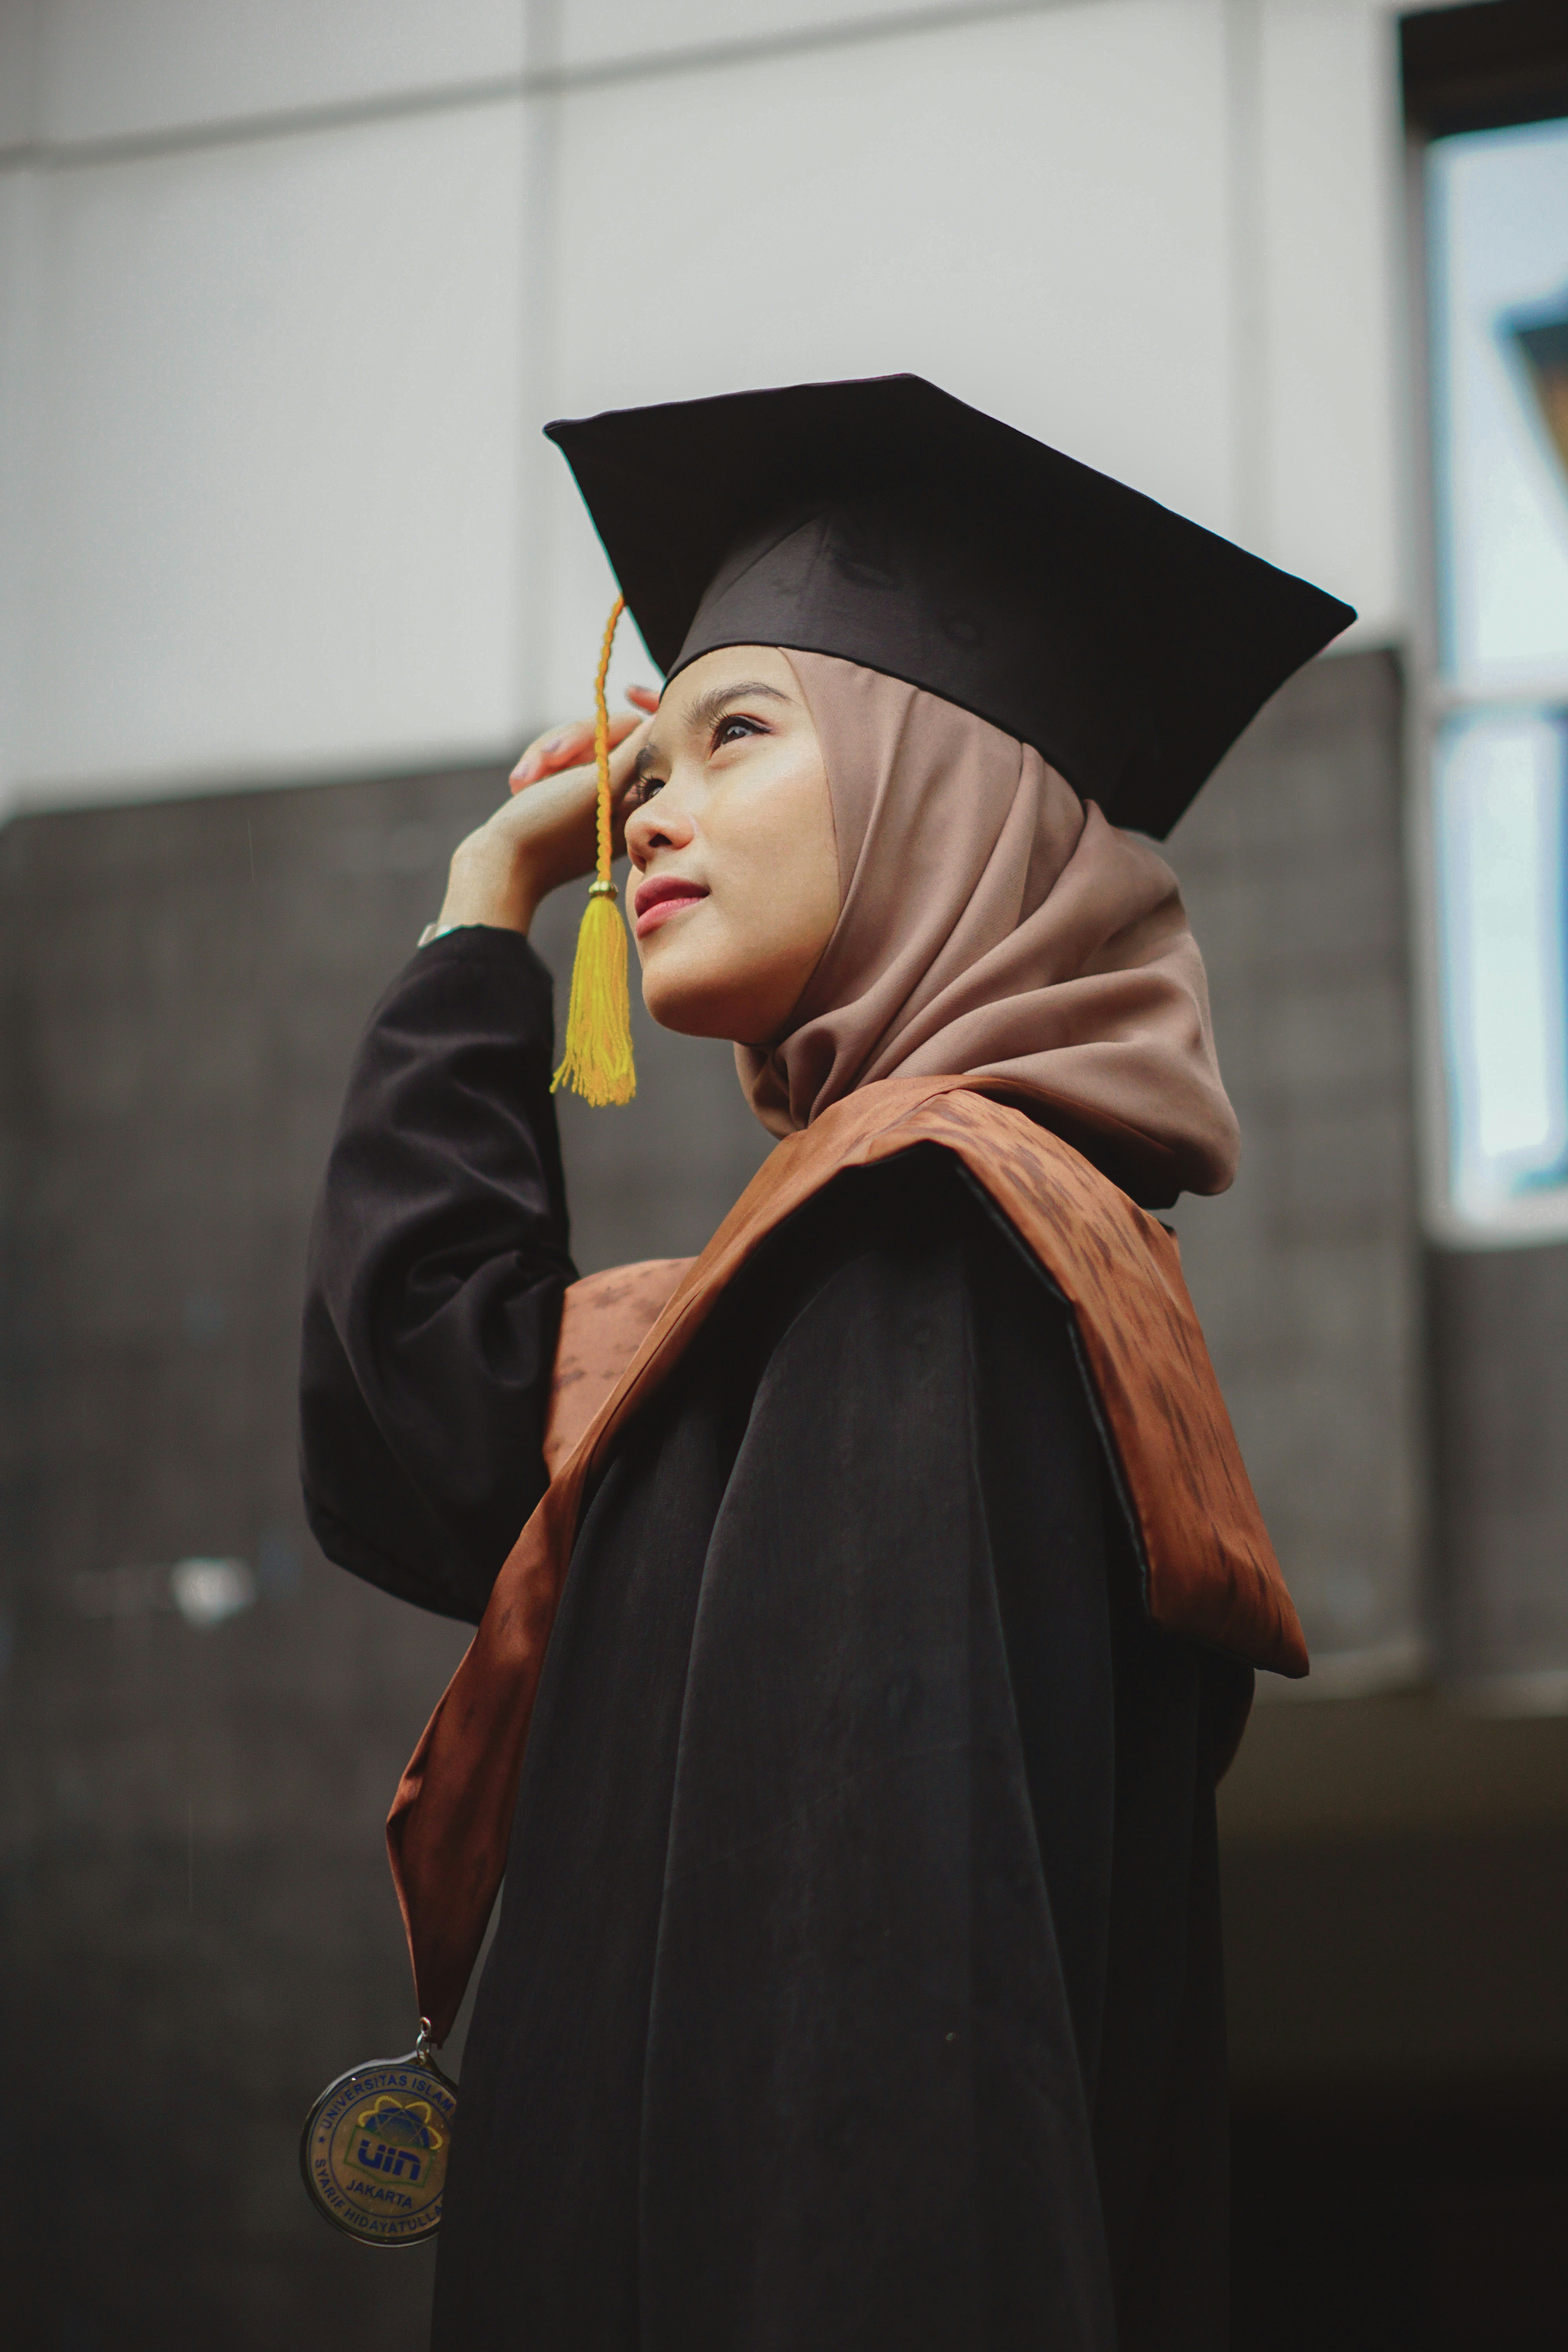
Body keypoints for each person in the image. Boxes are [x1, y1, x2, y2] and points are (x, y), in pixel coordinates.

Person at [300, 375, 1348, 2350]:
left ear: (942, 791)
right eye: (645, 760)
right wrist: (478, 918)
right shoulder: (841, 1272)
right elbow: (439, 1428)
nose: (643, 810)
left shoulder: (928, 1250)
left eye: (737, 735)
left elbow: (883, 2089)